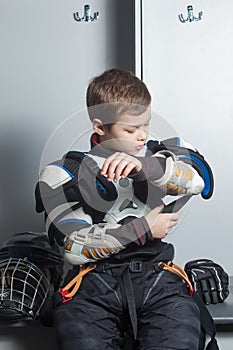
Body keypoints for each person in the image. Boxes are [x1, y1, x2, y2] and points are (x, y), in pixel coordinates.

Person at [35, 68, 212, 350]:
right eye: (130, 129)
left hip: (157, 280)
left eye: (146, 124)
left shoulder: (159, 156)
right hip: (93, 286)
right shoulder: (63, 173)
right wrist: (143, 229)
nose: (142, 136)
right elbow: (73, 247)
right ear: (99, 126)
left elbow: (199, 181)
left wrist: (146, 167)